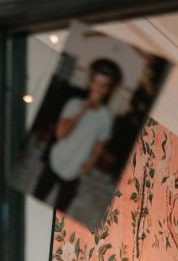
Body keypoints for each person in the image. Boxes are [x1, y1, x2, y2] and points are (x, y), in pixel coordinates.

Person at [33, 58, 122, 212]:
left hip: (75, 170)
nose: (98, 88)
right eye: (96, 83)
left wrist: (88, 165)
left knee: (61, 210)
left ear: (107, 90)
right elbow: (61, 134)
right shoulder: (73, 104)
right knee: (36, 200)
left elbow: (99, 146)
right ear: (90, 83)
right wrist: (83, 109)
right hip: (56, 160)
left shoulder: (106, 117)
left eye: (103, 85)